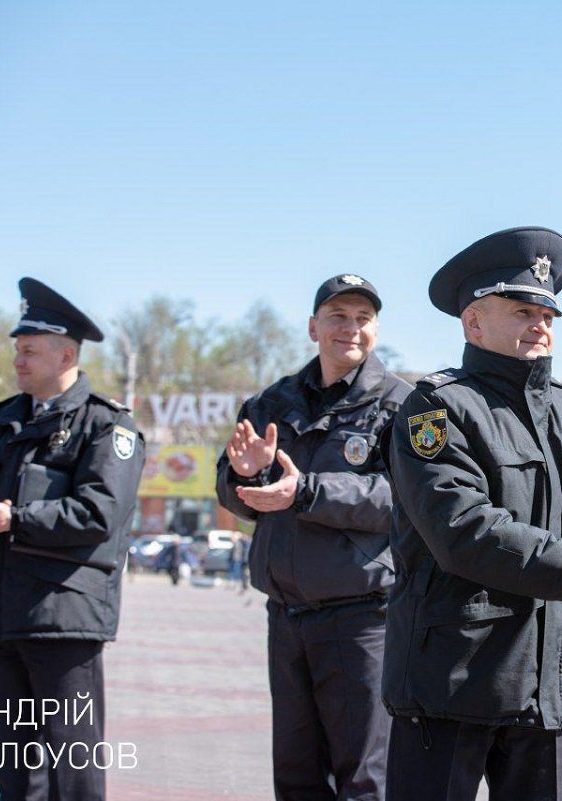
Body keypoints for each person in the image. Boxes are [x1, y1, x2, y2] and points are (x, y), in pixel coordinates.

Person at [383, 227, 562, 801]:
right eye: (522, 309)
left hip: (546, 688)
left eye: (549, 312)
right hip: (452, 682)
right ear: (473, 322)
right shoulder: (437, 406)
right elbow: (464, 529)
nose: (541, 324)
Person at [0, 277, 145, 801]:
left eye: (29, 351)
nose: (18, 361)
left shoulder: (107, 426)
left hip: (63, 622)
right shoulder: (2, 420)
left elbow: (98, 512)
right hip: (1, 615)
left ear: (66, 354)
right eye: (18, 351)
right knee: (15, 768)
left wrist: (14, 519)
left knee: (71, 767)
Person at [215, 274, 411, 801]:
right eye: (337, 316)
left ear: (376, 329)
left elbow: (405, 501)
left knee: (365, 778)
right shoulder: (271, 402)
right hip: (286, 617)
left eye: (362, 318)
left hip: (363, 619)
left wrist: (308, 491)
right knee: (297, 777)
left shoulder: (403, 405)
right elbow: (231, 493)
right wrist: (249, 478)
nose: (350, 328)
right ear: (312, 327)